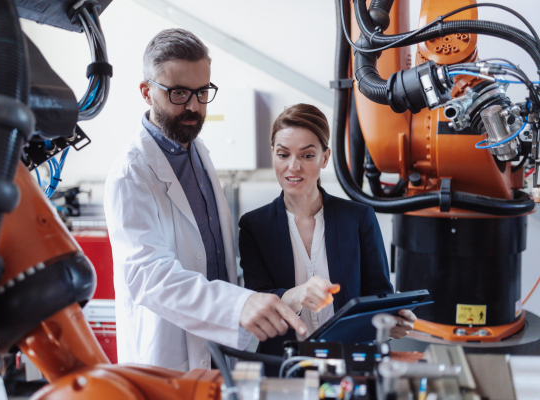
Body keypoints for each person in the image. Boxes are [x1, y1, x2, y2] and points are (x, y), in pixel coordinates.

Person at [103, 29, 306, 371]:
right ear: (146, 91)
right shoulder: (131, 172)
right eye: (179, 93)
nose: (194, 107)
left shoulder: (197, 150)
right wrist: (235, 306)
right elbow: (148, 276)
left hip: (217, 346)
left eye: (202, 92)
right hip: (166, 355)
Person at [238, 103, 417, 358]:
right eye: (283, 154)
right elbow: (258, 299)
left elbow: (378, 295)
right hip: (284, 364)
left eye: (307, 155)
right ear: (273, 155)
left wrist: (392, 320)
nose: (293, 167)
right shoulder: (254, 226)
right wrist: (297, 295)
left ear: (325, 157)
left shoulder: (358, 218)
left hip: (349, 363)